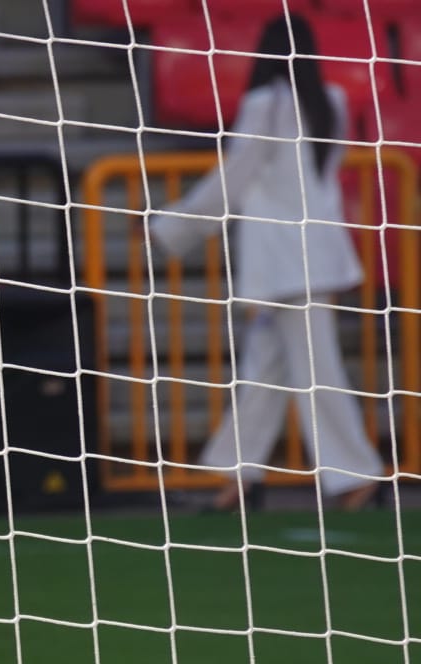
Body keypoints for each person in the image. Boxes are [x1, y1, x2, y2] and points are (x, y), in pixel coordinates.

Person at [149, 12, 385, 512]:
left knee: (314, 370)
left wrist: (169, 225)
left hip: (284, 262)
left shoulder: (267, 105)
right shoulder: (331, 104)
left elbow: (232, 180)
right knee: (267, 368)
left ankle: (357, 474)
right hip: (313, 255)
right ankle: (237, 475)